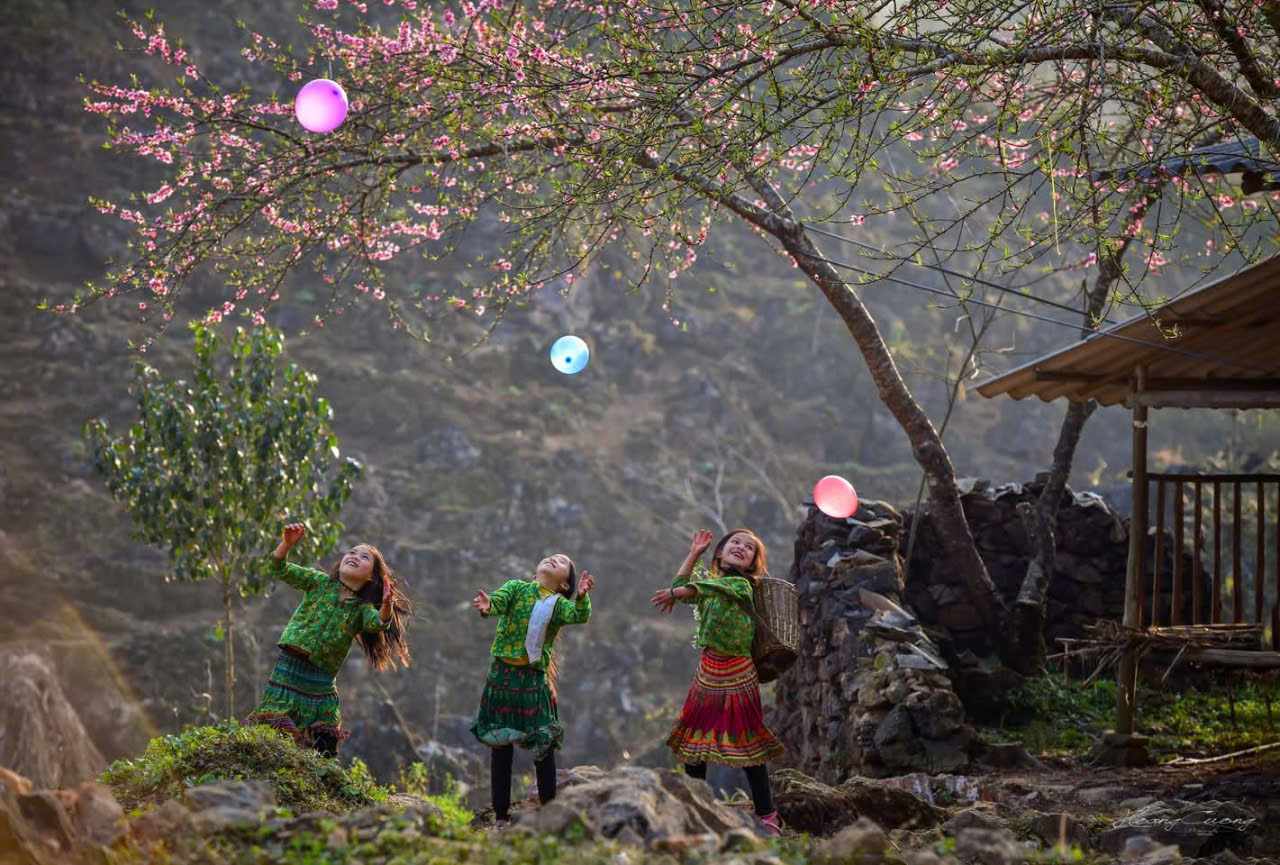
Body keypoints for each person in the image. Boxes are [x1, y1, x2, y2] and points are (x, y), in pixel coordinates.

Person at [652, 528, 785, 836]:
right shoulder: (709, 584)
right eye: (734, 543)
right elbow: (680, 586)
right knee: (694, 743)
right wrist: (694, 553)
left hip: (739, 671)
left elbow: (695, 590)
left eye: (749, 547)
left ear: (752, 564)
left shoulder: (741, 585)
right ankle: (695, 806)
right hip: (708, 670)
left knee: (748, 744)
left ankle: (767, 814)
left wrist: (679, 593)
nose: (741, 547)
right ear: (721, 552)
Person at [246, 522, 413, 757]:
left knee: (320, 749)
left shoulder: (361, 609)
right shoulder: (318, 582)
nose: (354, 556)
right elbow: (279, 568)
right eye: (352, 552)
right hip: (287, 673)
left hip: (320, 685)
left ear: (372, 578)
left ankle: (319, 782)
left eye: (364, 557)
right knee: (273, 737)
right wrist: (287, 543)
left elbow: (379, 623)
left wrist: (386, 605)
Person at [471, 554, 594, 829]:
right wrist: (488, 604)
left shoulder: (559, 604)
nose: (553, 559)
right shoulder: (515, 588)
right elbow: (498, 601)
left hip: (533, 682)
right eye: (551, 557)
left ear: (565, 585)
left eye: (562, 562)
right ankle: (501, 817)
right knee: (500, 746)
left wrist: (582, 597)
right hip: (501, 679)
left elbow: (579, 615)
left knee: (544, 745)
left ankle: (548, 812)